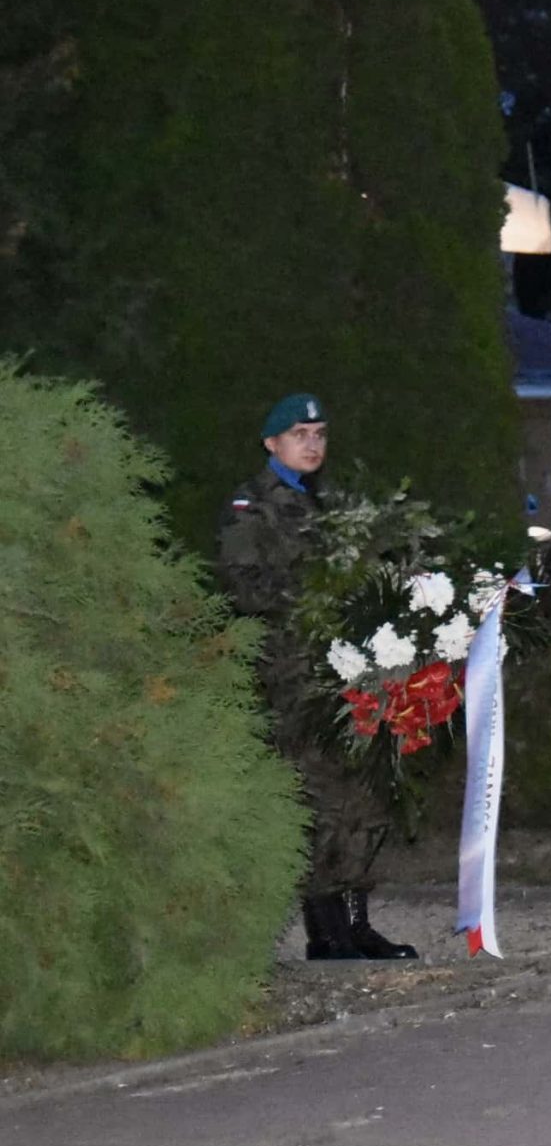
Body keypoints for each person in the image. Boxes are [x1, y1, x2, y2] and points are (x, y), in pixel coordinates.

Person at [217, 394, 418, 964]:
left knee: (368, 796)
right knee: (321, 801)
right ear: (272, 443)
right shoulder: (250, 508)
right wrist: (321, 596)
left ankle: (358, 924)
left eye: (320, 433)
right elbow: (242, 588)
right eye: (300, 433)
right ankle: (326, 931)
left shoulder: (334, 506)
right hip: (295, 680)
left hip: (352, 675)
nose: (313, 444)